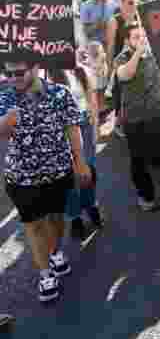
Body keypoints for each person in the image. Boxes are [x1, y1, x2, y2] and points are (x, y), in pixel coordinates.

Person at [1, 62, 92, 302]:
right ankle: (45, 274)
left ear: (35, 68)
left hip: (58, 172)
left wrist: (80, 161)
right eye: (8, 73)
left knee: (56, 219)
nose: (13, 78)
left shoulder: (59, 93)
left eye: (19, 73)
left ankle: (54, 251)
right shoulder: (5, 96)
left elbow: (73, 128)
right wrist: (5, 124)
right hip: (21, 177)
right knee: (34, 225)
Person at [115, 25, 160, 211]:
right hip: (135, 120)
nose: (142, 40)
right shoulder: (121, 59)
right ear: (128, 42)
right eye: (136, 37)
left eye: (143, 37)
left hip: (159, 114)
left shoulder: (153, 56)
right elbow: (126, 75)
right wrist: (138, 53)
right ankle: (147, 196)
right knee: (139, 161)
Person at [49, 62, 104, 237]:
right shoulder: (47, 74)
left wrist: (96, 126)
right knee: (69, 177)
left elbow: (91, 98)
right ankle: (75, 217)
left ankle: (91, 206)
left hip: (84, 124)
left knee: (88, 171)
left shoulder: (81, 69)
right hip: (60, 130)